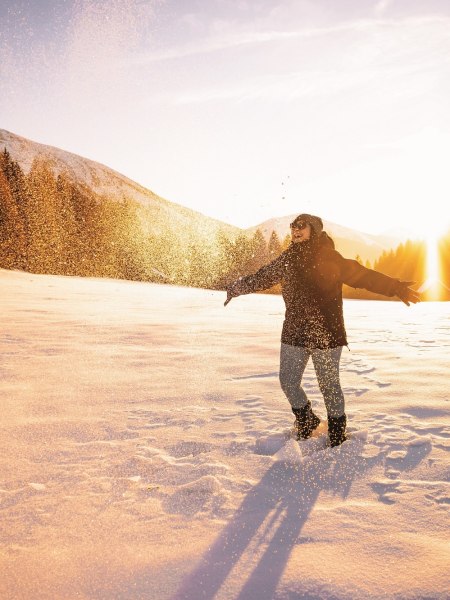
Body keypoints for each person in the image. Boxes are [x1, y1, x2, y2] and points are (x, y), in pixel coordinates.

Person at [224, 214, 420, 447]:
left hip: (326, 334)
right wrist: (236, 288)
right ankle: (307, 421)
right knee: (288, 382)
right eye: (292, 226)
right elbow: (261, 277)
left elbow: (362, 275)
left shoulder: (329, 257)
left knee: (328, 385)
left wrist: (395, 287)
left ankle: (337, 433)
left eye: (301, 226)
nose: (295, 230)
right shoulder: (287, 259)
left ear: (313, 229)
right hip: (294, 333)